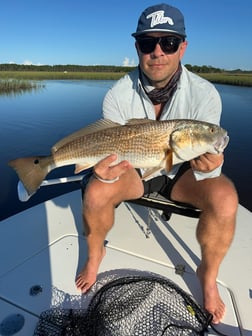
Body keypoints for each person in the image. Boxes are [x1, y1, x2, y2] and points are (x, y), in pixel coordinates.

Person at [75, 3, 238, 324]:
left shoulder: (205, 95)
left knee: (226, 198)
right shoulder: (118, 94)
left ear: (183, 48)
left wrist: (210, 167)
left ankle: (207, 273)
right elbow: (110, 148)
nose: (158, 52)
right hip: (133, 169)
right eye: (149, 43)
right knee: (95, 192)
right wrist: (102, 173)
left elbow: (209, 156)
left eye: (169, 43)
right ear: (137, 48)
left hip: (182, 174)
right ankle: (96, 255)